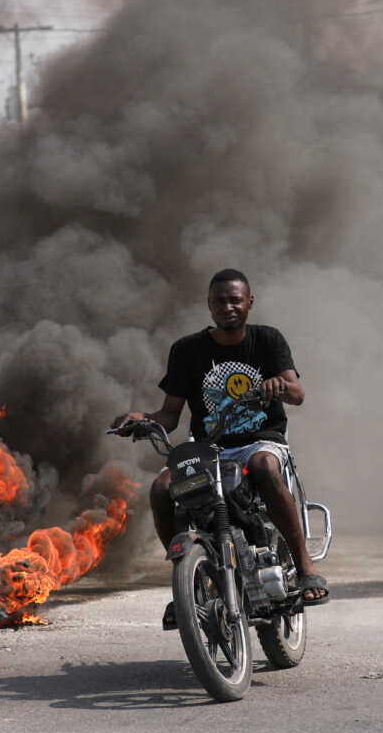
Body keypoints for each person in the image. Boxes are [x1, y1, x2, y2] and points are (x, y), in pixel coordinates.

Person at [112, 268, 329, 628]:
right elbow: (170, 414)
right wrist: (141, 419)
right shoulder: (187, 350)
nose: (227, 307)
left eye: (235, 300)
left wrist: (279, 384)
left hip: (261, 441)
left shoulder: (267, 341)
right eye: (219, 301)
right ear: (209, 306)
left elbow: (298, 394)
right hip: (208, 448)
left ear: (249, 303)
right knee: (161, 488)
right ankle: (185, 582)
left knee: (263, 466)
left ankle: (305, 566)